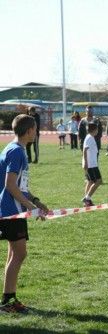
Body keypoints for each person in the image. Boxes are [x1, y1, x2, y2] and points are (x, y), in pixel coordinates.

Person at [0, 114, 48, 313]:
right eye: (35, 129)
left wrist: (36, 201)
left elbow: (21, 185)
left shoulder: (12, 148)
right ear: (29, 131)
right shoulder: (17, 152)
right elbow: (10, 185)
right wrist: (30, 207)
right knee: (20, 254)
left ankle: (8, 299)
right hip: (12, 211)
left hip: (13, 210)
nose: (36, 133)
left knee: (13, 255)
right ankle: (7, 302)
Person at [81, 122, 102, 207]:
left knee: (90, 181)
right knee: (98, 181)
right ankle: (87, 198)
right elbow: (85, 150)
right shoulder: (90, 138)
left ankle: (86, 199)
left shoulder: (90, 137)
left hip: (91, 164)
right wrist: (85, 162)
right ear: (94, 129)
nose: (98, 131)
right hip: (91, 165)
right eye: (97, 129)